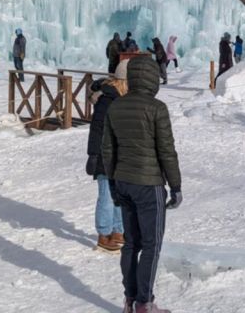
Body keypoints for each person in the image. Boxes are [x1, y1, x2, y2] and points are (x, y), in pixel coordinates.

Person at [102, 57, 181, 313]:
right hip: (149, 184)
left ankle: (129, 299)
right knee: (151, 244)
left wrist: (113, 183)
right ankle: (144, 303)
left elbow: (108, 149)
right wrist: (176, 186)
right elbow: (166, 151)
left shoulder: (116, 107)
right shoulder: (157, 108)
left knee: (131, 243)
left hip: (123, 181)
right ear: (152, 78)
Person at [86, 60, 129, 253]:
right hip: (104, 154)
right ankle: (104, 234)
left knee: (119, 194)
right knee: (106, 195)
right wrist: (93, 154)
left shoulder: (121, 97)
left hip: (119, 153)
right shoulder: (107, 99)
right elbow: (97, 129)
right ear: (123, 80)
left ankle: (118, 231)